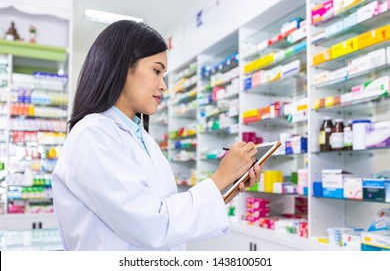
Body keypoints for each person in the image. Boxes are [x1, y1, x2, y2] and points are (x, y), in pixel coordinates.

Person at [52, 20, 261, 251]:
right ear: (122, 67)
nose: (163, 85)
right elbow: (153, 225)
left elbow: (166, 211)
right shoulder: (92, 136)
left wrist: (227, 187)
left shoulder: (141, 138)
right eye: (156, 70)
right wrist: (220, 177)